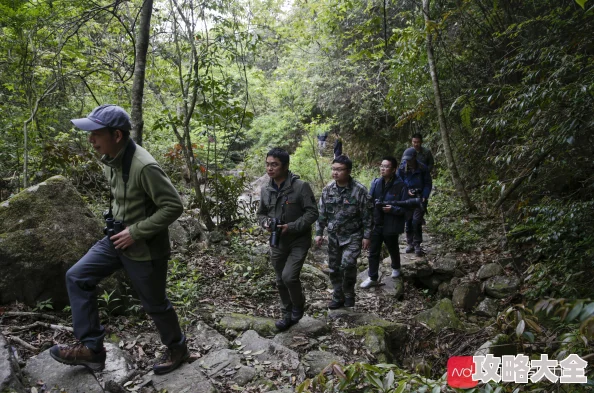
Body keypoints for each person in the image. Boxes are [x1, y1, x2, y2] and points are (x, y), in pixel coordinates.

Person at [50, 104, 187, 375]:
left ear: (117, 135)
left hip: (145, 248)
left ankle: (178, 349)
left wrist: (135, 232)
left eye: (96, 134)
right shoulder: (111, 159)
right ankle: (92, 350)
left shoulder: (144, 165)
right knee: (77, 276)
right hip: (116, 239)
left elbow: (174, 206)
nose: (90, 140)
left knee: (155, 305)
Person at [257, 148, 319, 331]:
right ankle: (287, 314)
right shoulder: (266, 189)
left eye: (274, 164)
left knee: (289, 277)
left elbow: (312, 213)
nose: (270, 168)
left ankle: (298, 305)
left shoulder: (300, 187)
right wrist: (266, 223)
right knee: (279, 279)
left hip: (298, 239)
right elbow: (261, 213)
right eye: (268, 164)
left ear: (285, 166)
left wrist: (291, 226)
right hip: (277, 240)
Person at [315, 155, 372, 309]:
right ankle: (337, 296)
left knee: (347, 265)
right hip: (333, 236)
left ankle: (349, 294)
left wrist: (367, 236)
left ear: (348, 171)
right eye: (333, 169)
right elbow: (322, 214)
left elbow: (367, 215)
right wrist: (319, 233)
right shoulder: (328, 190)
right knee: (333, 268)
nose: (335, 172)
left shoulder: (359, 190)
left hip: (353, 235)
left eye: (339, 170)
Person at [360, 156, 408, 288]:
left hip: (391, 222)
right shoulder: (376, 183)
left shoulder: (401, 186)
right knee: (373, 251)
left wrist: (393, 209)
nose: (382, 169)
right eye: (381, 166)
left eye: (386, 166)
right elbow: (370, 202)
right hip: (377, 221)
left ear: (394, 169)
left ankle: (396, 267)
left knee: (392, 247)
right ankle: (373, 277)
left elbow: (406, 207)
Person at [397, 148, 432, 256]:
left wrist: (424, 196)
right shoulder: (402, 168)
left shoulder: (422, 168)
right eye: (406, 159)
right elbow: (399, 182)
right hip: (407, 198)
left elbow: (427, 183)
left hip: (419, 198)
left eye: (410, 159)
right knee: (408, 221)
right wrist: (406, 190)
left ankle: (417, 244)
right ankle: (410, 243)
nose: (408, 161)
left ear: (414, 158)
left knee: (416, 221)